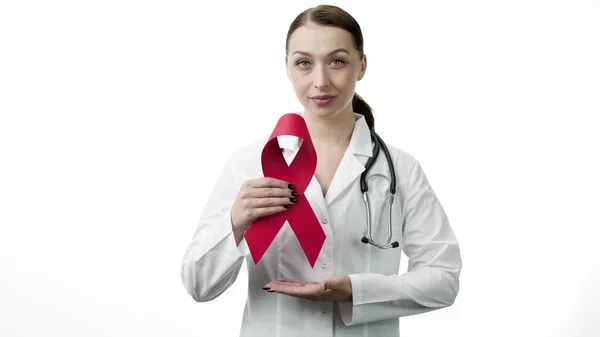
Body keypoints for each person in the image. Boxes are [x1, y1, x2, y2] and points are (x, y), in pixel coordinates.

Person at [180, 4, 462, 337]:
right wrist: (236, 221)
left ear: (362, 66)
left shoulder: (400, 168)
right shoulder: (250, 163)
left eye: (337, 61)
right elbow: (199, 285)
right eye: (304, 63)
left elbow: (443, 279)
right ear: (287, 68)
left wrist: (356, 291)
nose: (320, 81)